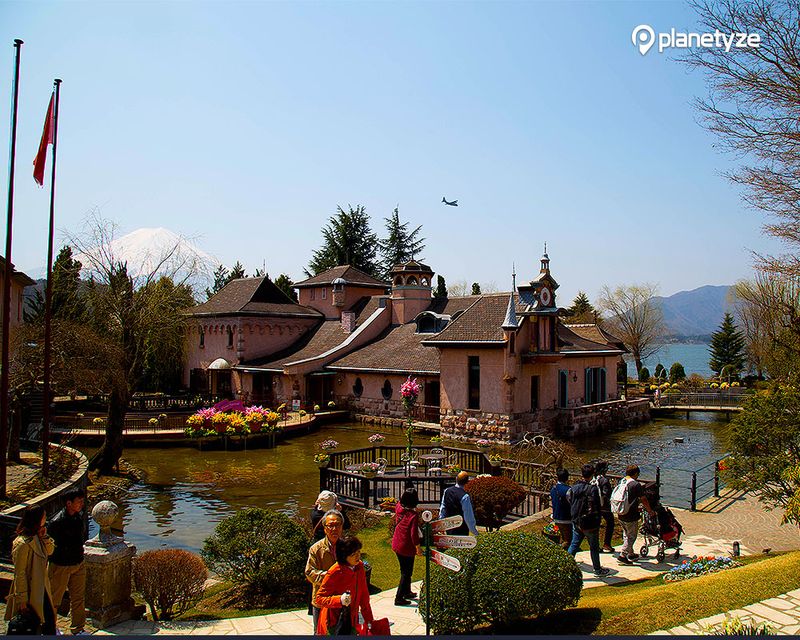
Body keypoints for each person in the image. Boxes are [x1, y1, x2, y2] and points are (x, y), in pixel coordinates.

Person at [4, 505, 57, 634]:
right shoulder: (22, 543)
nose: (45, 519)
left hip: (42, 588)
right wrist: (22, 600)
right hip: (30, 591)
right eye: (44, 516)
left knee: (49, 623)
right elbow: (20, 573)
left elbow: (50, 551)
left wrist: (45, 537)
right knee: (33, 625)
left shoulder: (38, 536)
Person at [313, 536, 374, 635]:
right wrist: (339, 600)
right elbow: (319, 598)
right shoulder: (335, 571)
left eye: (358, 552)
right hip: (335, 623)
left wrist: (369, 621)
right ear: (344, 556)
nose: (358, 556)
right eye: (353, 554)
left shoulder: (359, 567)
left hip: (352, 621)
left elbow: (364, 597)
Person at [48, 488, 88, 635]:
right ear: (68, 503)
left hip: (78, 563)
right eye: (79, 501)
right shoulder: (56, 522)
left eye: (82, 501)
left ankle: (78, 628)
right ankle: (50, 628)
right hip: (61, 565)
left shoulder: (79, 517)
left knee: (78, 598)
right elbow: (51, 546)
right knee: (54, 600)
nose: (82, 504)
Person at [567, 463, 609, 577]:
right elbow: (598, 505)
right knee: (594, 547)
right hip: (590, 523)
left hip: (577, 520)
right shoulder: (592, 489)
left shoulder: (575, 487)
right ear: (592, 474)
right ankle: (597, 569)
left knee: (574, 544)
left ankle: (565, 565)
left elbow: (569, 498)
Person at [305, 509, 344, 634]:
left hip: (342, 599)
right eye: (330, 525)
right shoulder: (316, 549)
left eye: (337, 525)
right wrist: (329, 576)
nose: (334, 529)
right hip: (322, 601)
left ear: (342, 527)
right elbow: (309, 573)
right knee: (320, 632)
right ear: (325, 528)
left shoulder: (347, 547)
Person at [617, 464, 655, 565]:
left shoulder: (622, 481)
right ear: (636, 473)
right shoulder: (635, 484)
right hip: (630, 514)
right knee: (631, 536)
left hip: (620, 512)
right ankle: (622, 555)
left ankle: (631, 553)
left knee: (626, 534)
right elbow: (643, 499)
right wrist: (650, 511)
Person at [391, 487, 420, 606]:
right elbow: (414, 534)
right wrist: (418, 547)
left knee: (405, 570)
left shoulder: (399, 507)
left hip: (397, 543)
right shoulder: (413, 515)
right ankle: (399, 597)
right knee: (406, 572)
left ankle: (407, 591)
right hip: (406, 547)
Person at [439, 471, 479, 536]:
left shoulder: (447, 491)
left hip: (449, 527)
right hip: (461, 529)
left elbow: (443, 509)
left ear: (456, 479)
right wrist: (474, 532)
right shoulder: (465, 496)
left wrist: (441, 524)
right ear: (467, 482)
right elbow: (468, 517)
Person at [594, 462, 615, 553]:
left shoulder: (594, 479)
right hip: (604, 507)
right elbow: (606, 494)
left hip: (595, 506)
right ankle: (607, 544)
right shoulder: (604, 480)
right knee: (610, 523)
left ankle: (596, 545)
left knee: (596, 525)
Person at [549, 468, 572, 549]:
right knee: (568, 541)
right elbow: (572, 503)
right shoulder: (568, 490)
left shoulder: (553, 489)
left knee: (561, 539)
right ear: (567, 478)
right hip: (566, 519)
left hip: (556, 518)